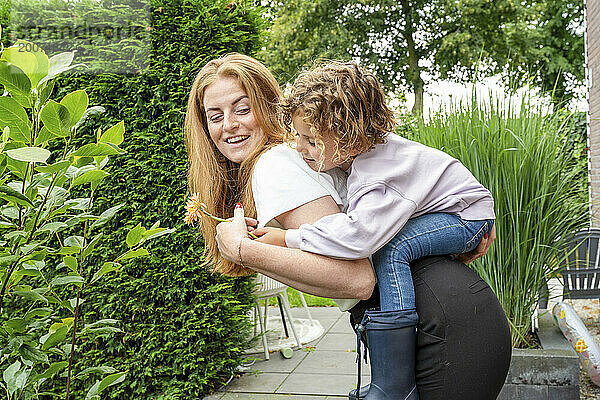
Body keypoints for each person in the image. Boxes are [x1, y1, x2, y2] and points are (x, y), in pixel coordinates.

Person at [185, 53, 511, 400]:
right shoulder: (313, 153)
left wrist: (245, 249)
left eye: (242, 108)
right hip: (451, 317)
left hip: (445, 329)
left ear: (268, 107)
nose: (229, 125)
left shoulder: (274, 164)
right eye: (215, 116)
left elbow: (357, 279)